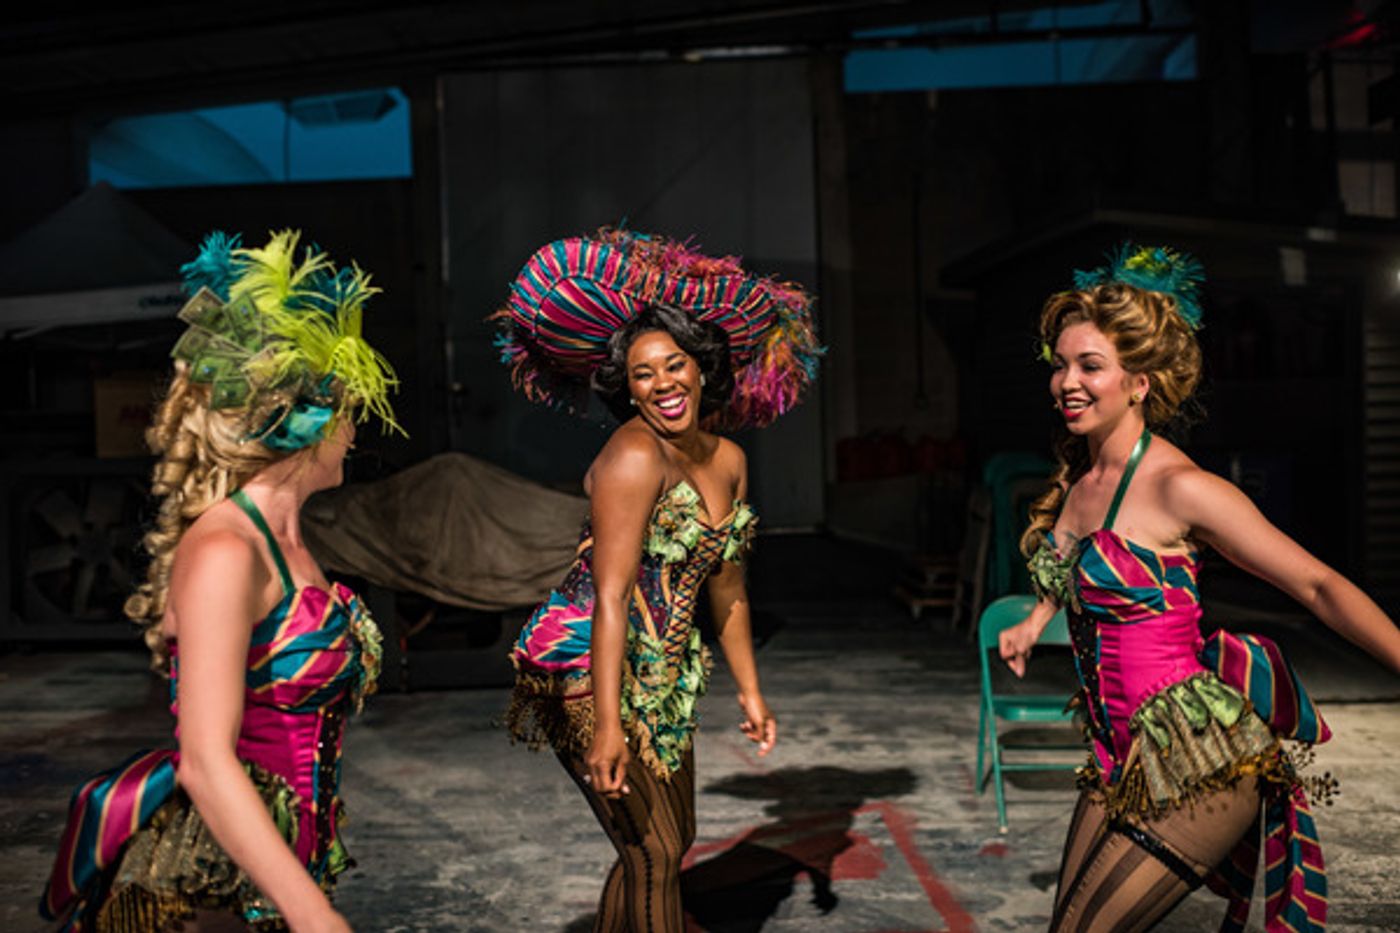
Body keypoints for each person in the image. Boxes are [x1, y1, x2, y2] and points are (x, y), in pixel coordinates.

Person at [998, 245, 1400, 933]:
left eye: (1090, 365)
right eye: (1060, 363)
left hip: (1194, 757)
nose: (1067, 380)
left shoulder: (1180, 487)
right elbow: (1077, 566)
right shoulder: (1080, 475)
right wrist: (1036, 619)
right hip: (1112, 752)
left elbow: (1317, 582)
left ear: (1140, 382)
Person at [42, 231, 401, 933]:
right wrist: (313, 914)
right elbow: (204, 760)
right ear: (306, 422)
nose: (356, 431)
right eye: (349, 411)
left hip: (288, 864)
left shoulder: (292, 542)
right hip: (220, 877)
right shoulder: (227, 551)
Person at [496, 228, 821, 932]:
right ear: (627, 388)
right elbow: (612, 596)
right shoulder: (633, 458)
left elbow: (727, 585)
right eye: (643, 374)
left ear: (701, 368)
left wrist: (752, 690)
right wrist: (607, 725)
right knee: (654, 847)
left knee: (663, 848)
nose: (663, 384)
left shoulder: (728, 458)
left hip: (662, 671)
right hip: (585, 660)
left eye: (674, 365)